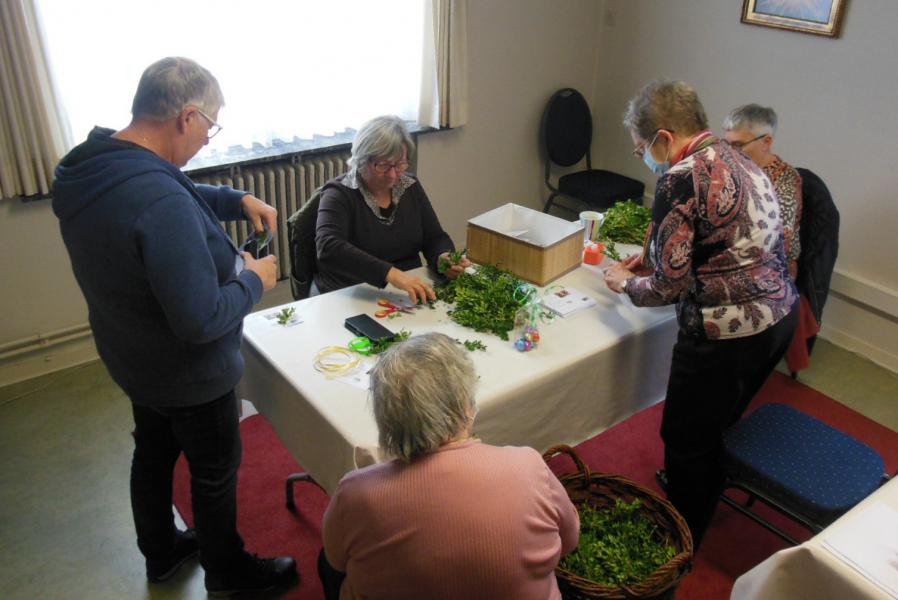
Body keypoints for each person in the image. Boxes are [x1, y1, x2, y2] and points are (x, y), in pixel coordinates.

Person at [52, 57, 297, 595]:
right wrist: (254, 279)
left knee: (154, 452)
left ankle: (160, 552)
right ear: (186, 116)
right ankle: (229, 576)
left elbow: (171, 192)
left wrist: (234, 200)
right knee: (213, 472)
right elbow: (202, 318)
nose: (208, 141)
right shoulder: (156, 197)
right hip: (190, 373)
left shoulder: (93, 164)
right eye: (209, 127)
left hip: (133, 355)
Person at [603, 80, 799, 549]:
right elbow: (726, 239)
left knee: (685, 435)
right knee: (719, 421)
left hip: (727, 330)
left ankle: (681, 533)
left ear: (664, 138)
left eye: (641, 149)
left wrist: (623, 283)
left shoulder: (680, 176)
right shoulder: (742, 160)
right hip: (779, 317)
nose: (645, 158)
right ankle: (703, 491)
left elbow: (669, 286)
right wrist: (653, 254)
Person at [320, 332, 580, 600]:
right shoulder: (529, 466)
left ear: (384, 418)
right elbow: (569, 540)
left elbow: (337, 560)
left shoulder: (355, 492)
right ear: (465, 405)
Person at [314, 115, 470, 303]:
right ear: (361, 160)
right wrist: (392, 274)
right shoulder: (339, 193)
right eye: (383, 165)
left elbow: (434, 237)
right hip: (356, 293)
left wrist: (443, 259)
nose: (392, 174)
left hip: (407, 290)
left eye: (400, 164)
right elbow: (328, 246)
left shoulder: (409, 185)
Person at [723, 104, 803, 280]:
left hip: (768, 277)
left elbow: (776, 242)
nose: (730, 153)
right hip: (729, 265)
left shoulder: (784, 180)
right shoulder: (733, 172)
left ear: (766, 142)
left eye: (738, 145)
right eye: (726, 145)